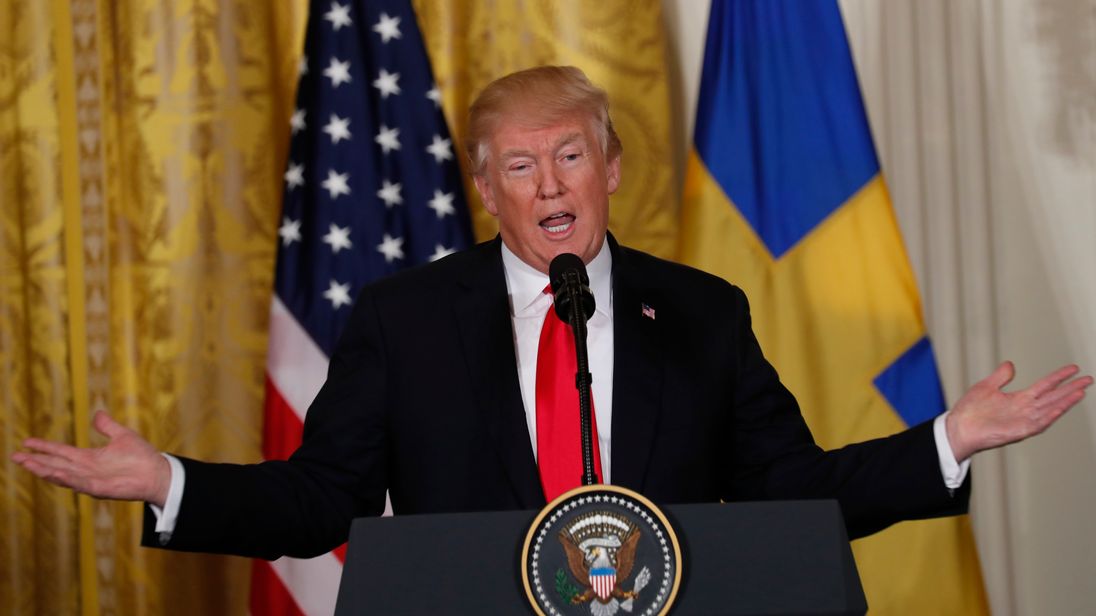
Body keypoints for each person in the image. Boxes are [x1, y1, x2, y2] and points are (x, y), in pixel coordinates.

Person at [12, 66, 1091, 559]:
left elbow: (790, 495)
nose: (548, 185)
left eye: (569, 155)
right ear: (486, 190)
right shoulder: (406, 318)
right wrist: (170, 483)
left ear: (610, 167)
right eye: (519, 166)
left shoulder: (702, 311)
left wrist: (948, 439)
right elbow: (322, 497)